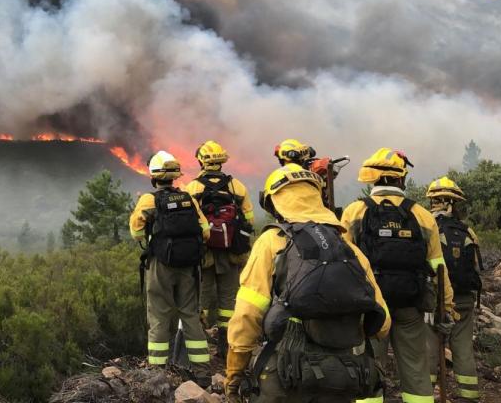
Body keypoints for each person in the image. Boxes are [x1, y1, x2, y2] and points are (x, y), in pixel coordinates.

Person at [225, 163, 391, 403]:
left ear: (274, 203)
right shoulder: (347, 246)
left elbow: (247, 315)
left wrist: (234, 374)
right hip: (344, 377)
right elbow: (383, 322)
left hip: (287, 375)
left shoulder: (271, 242)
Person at [340, 148, 456, 403]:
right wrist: (446, 307)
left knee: (368, 367)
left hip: (369, 307)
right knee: (415, 367)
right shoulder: (422, 215)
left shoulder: (354, 212)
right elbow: (438, 267)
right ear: (401, 179)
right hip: (410, 305)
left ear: (371, 179)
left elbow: (343, 263)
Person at [130, 151, 212, 381]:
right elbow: (205, 232)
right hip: (189, 267)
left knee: (158, 315)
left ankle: (157, 373)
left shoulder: (149, 200)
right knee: (190, 315)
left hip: (161, 266)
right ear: (175, 177)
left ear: (154, 177)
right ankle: (203, 373)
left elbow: (135, 232)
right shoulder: (188, 198)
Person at [185, 140, 254, 356]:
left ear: (201, 161)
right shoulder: (237, 187)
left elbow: (189, 220)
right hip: (231, 253)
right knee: (228, 299)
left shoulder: (193, 187)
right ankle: (227, 343)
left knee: (202, 298)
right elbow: (248, 219)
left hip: (204, 253)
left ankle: (201, 339)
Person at [426, 176, 482, 402]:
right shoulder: (468, 232)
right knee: (463, 349)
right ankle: (469, 396)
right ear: (454, 203)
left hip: (433, 300)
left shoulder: (427, 226)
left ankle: (425, 396)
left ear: (434, 202)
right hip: (464, 301)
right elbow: (476, 267)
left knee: (429, 350)